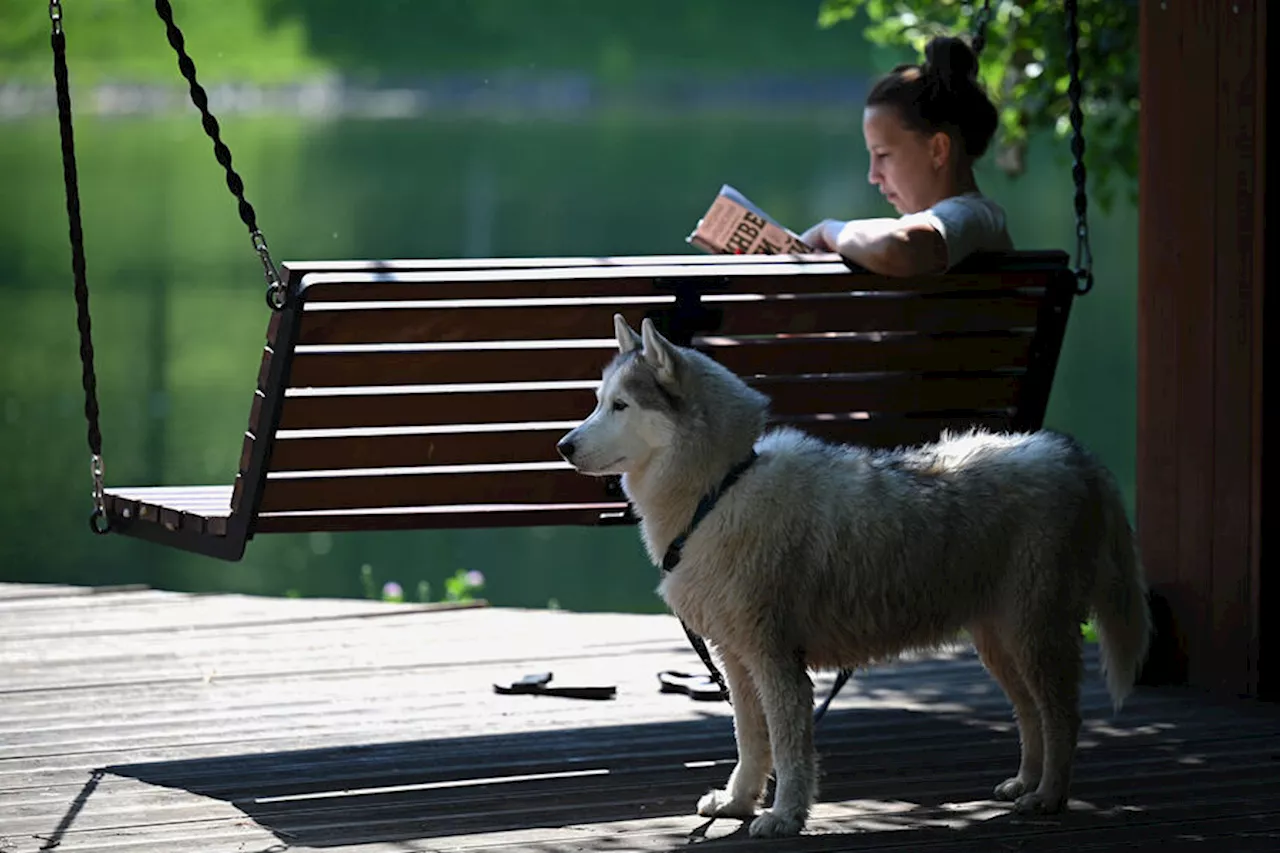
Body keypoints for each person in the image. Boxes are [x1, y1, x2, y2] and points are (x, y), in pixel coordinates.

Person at [800, 35, 1013, 276]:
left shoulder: (972, 216)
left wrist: (828, 231)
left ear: (938, 150)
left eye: (883, 155)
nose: (873, 176)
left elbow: (896, 248)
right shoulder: (964, 223)